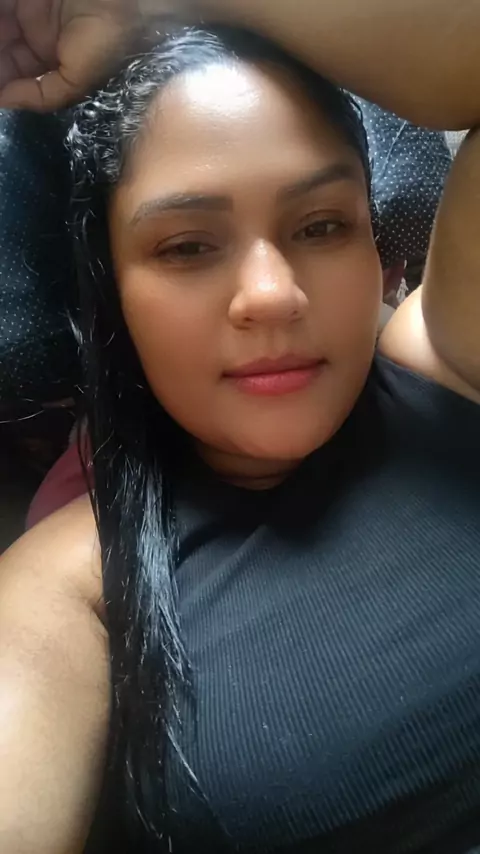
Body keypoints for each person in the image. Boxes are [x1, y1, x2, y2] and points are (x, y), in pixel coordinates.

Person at [0, 3, 479, 854]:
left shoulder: (452, 363)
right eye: (188, 246)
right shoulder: (70, 592)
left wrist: (150, 6)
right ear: (112, 291)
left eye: (321, 226)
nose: (272, 294)